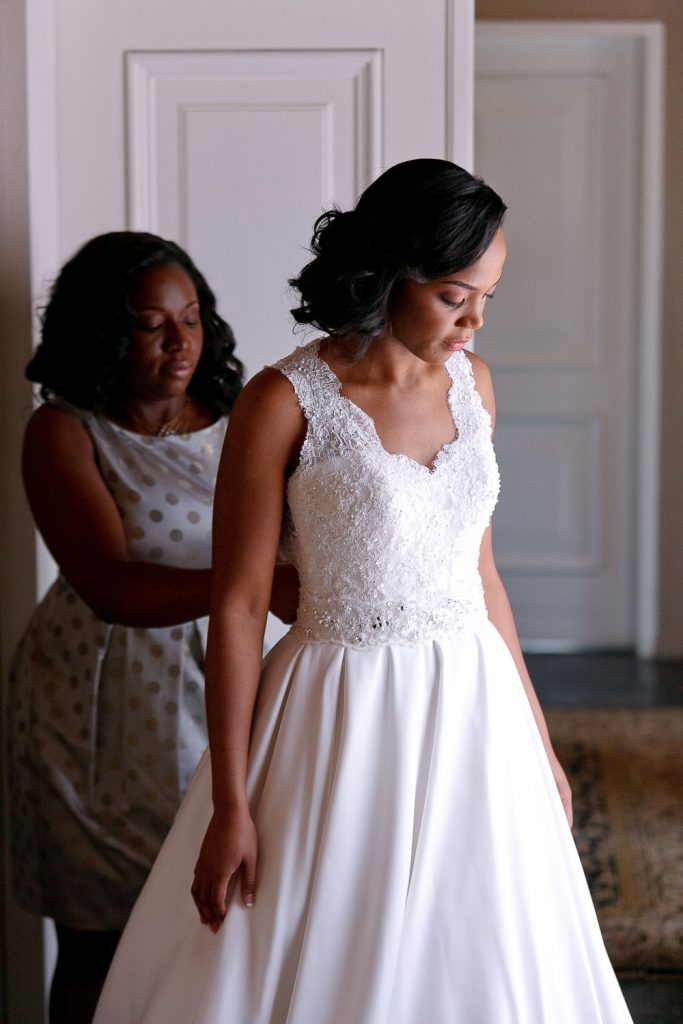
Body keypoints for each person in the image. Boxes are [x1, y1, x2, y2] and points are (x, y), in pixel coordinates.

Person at [93, 162, 633, 1023]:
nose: (475, 320)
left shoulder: (475, 385)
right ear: (392, 272)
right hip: (336, 714)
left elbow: (480, 571)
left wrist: (534, 732)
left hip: (472, 707)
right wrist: (230, 803)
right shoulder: (283, 400)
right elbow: (236, 608)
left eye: (487, 296)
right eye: (457, 296)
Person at [7, 231, 298, 1024]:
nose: (181, 341)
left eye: (193, 317)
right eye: (150, 323)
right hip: (99, 710)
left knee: (221, 924)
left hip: (229, 686)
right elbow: (109, 587)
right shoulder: (65, 432)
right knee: (99, 939)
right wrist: (253, 586)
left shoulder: (249, 418)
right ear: (104, 330)